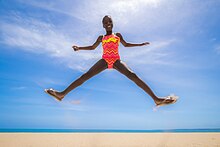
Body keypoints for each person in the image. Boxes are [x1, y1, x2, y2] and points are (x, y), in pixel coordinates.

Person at [45, 15, 178, 107]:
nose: (108, 23)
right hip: (104, 60)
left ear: (112, 23)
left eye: (110, 21)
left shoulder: (118, 35)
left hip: (116, 60)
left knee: (133, 75)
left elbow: (126, 45)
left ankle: (156, 99)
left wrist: (139, 45)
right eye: (106, 21)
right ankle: (62, 94)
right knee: (85, 76)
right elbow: (92, 47)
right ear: (103, 25)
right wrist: (79, 48)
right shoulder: (101, 37)